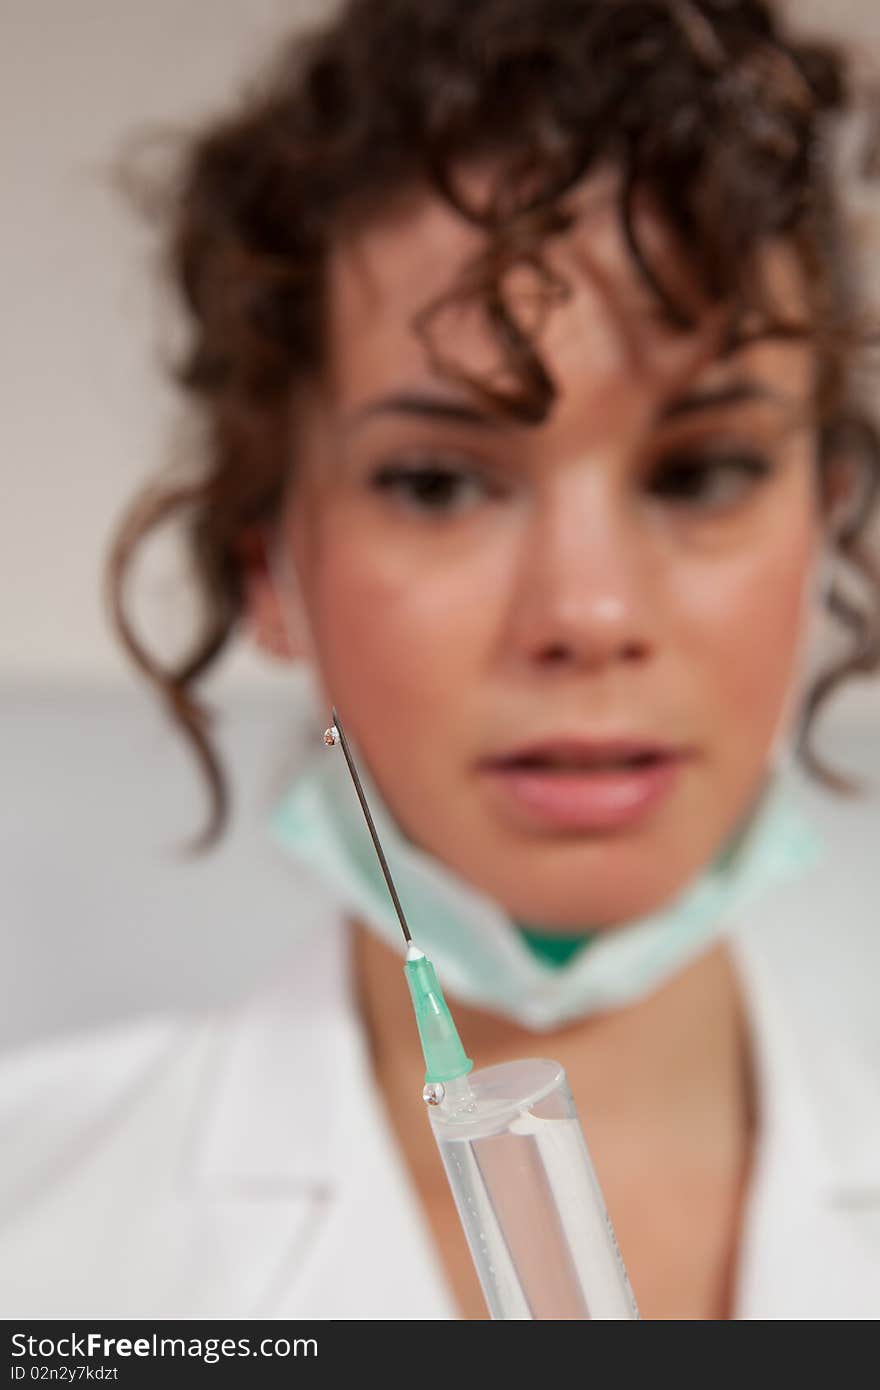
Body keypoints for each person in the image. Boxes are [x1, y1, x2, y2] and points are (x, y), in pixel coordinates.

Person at [2, 0, 879, 1320]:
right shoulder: (45, 1245)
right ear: (265, 561)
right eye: (435, 480)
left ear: (824, 514)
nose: (586, 612)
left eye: (702, 469)